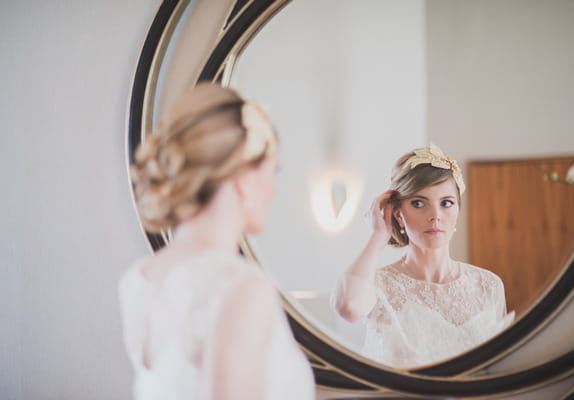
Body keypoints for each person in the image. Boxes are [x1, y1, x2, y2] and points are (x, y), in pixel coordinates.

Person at [119, 83, 315, 399]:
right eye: (272, 170)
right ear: (243, 178)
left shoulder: (140, 280)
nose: (274, 188)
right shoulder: (242, 286)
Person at [331, 144, 514, 369]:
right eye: (419, 203)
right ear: (398, 214)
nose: (435, 216)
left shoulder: (488, 285)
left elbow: (501, 369)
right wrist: (379, 235)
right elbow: (347, 306)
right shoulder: (379, 285)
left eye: (446, 203)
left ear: (458, 209)